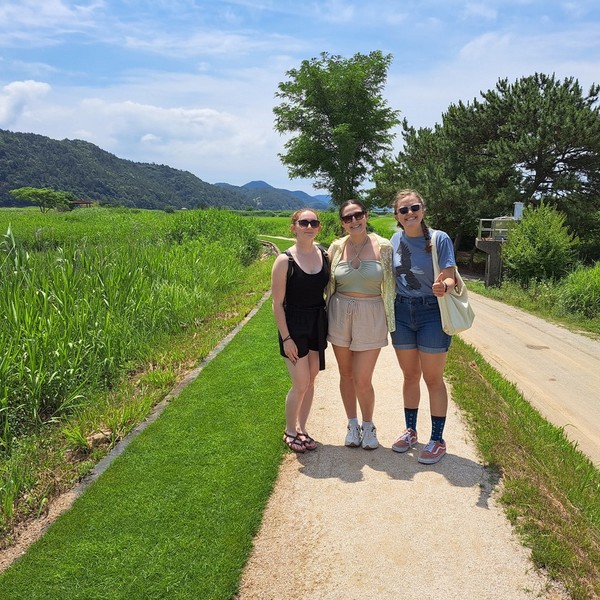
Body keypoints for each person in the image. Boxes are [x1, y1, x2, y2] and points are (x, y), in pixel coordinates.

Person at [390, 189, 456, 464]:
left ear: (423, 210)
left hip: (431, 312)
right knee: (409, 376)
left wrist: (444, 286)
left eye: (414, 207)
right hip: (402, 311)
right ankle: (411, 431)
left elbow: (451, 277)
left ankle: (437, 439)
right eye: (403, 210)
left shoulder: (438, 239)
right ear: (397, 216)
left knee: (433, 379)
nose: (409, 213)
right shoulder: (394, 240)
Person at [326, 200, 395, 449]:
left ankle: (368, 425)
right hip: (340, 313)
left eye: (358, 215)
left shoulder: (384, 246)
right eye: (347, 218)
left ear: (366, 216)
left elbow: (399, 279)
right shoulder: (336, 247)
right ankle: (352, 424)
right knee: (346, 374)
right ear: (342, 223)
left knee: (363, 378)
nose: (354, 221)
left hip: (371, 313)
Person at [271, 208, 329, 453]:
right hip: (294, 325)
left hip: (317, 322)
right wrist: (286, 338)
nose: (309, 226)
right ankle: (290, 431)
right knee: (300, 382)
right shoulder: (285, 260)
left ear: (318, 227)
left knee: (312, 378)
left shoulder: (324, 255)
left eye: (313, 222)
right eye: (303, 222)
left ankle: (302, 428)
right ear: (293, 227)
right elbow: (276, 304)